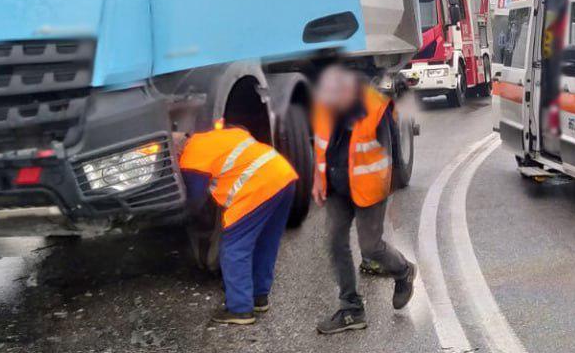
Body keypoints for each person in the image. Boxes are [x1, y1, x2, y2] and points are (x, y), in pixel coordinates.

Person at [312, 65, 416, 334]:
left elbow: (393, 159)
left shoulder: (376, 109)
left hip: (368, 189)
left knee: (370, 248)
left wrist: (392, 195)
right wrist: (318, 180)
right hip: (337, 186)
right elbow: (320, 144)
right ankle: (351, 308)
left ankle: (403, 271)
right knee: (336, 241)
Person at [178, 122, 298, 325]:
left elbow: (195, 201)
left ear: (177, 151)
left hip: (256, 188)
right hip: (284, 176)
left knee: (234, 247)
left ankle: (240, 308)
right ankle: (259, 296)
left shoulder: (190, 159)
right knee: (266, 242)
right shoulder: (218, 135)